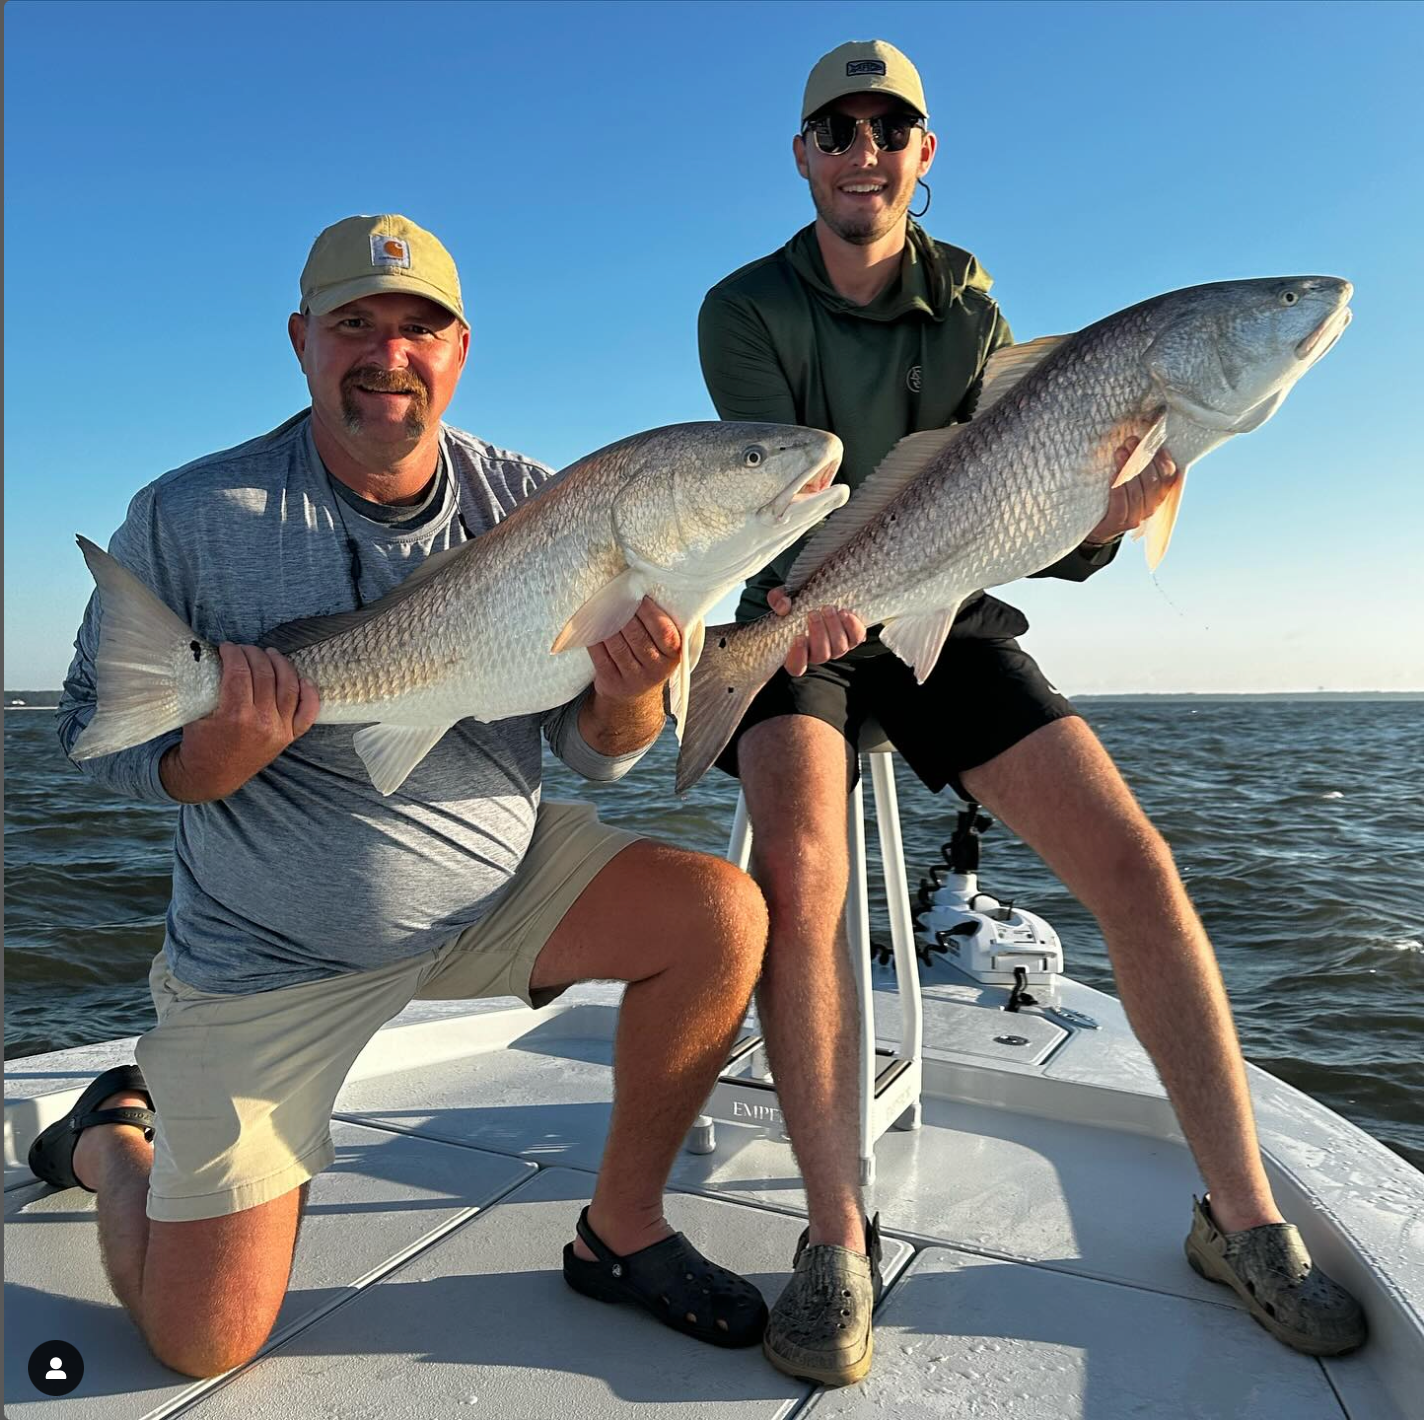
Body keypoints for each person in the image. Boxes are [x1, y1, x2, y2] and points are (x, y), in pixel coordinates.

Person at [698, 40, 1366, 1387]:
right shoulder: (744, 308)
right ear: (806, 156)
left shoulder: (972, 309)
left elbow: (1030, 530)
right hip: (804, 611)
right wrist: (797, 605)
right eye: (838, 128)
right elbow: (778, 498)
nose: (864, 149)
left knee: (1135, 864)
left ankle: (1239, 1220)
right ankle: (837, 1239)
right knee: (805, 877)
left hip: (944, 596)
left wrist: (1112, 522)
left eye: (890, 127)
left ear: (923, 155)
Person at [35, 213, 789, 1379]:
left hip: (488, 891)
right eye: (355, 325)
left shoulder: (533, 499)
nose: (389, 355)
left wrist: (634, 700)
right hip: (267, 951)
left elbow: (596, 758)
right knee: (202, 1343)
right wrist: (209, 759)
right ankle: (108, 1141)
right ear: (301, 340)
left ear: (460, 350)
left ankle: (620, 1229)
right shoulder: (193, 514)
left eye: (418, 330)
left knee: (720, 912)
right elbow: (91, 727)